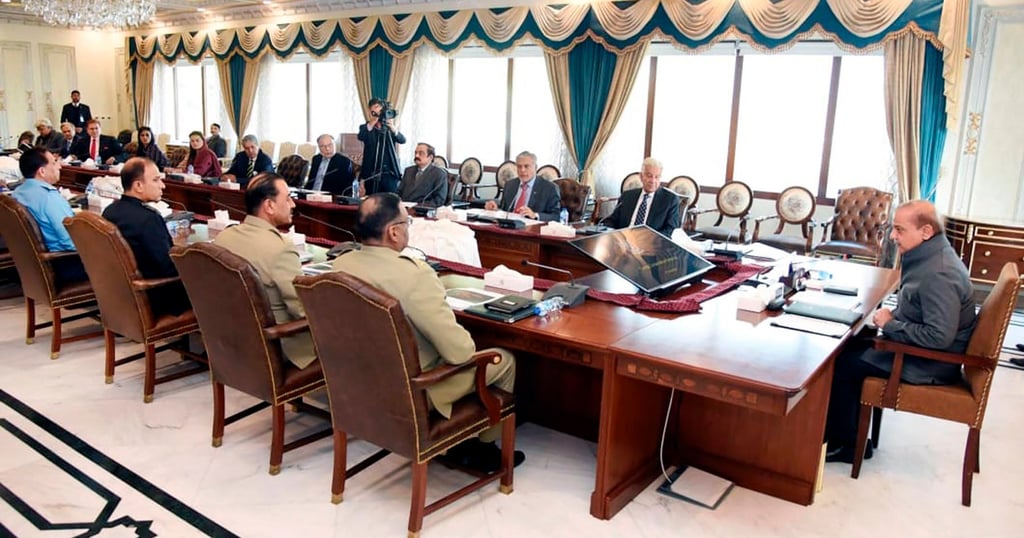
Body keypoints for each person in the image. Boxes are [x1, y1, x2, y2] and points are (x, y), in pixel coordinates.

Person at [332, 192, 523, 473]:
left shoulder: (341, 265)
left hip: (359, 383)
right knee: (503, 359)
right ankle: (480, 449)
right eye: (407, 222)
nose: (408, 228)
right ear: (393, 232)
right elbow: (460, 353)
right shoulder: (415, 275)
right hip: (414, 390)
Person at [824, 200, 978, 463]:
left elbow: (939, 336)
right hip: (917, 353)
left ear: (926, 232)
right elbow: (921, 307)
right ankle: (841, 432)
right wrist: (893, 317)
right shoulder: (930, 256)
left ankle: (846, 445)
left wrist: (890, 324)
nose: (893, 237)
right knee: (847, 345)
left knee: (842, 363)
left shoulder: (940, 273)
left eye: (899, 230)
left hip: (928, 364)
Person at [214, 173, 315, 370]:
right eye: (288, 198)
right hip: (277, 346)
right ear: (269, 206)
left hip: (233, 340)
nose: (293, 204)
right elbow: (301, 310)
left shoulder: (224, 237)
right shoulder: (281, 248)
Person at [102, 157, 190, 317]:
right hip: (156, 297)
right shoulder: (148, 219)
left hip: (122, 295)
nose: (163, 185)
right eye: (156, 180)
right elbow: (167, 268)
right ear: (138, 186)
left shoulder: (110, 211)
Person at [11, 148, 87, 285]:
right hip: (64, 264)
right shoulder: (48, 197)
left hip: (34, 264)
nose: (59, 166)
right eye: (54, 162)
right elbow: (69, 240)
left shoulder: (18, 193)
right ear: (42, 171)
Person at [600, 157, 680, 237]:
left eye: (657, 177)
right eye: (649, 176)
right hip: (623, 239)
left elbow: (670, 229)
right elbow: (612, 221)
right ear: (641, 177)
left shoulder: (670, 200)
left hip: (651, 242)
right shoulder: (627, 196)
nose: (653, 181)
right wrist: (606, 230)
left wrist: (651, 239)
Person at [484, 151, 560, 221]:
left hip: (531, 228)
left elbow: (556, 216)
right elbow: (505, 210)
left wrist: (535, 215)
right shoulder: (510, 185)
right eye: (519, 166)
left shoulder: (549, 188)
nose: (522, 170)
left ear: (535, 167)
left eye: (526, 166)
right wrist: (495, 210)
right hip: (509, 226)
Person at [357, 97, 406, 195]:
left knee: (390, 200)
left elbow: (402, 140)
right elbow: (361, 136)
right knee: (372, 200)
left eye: (380, 108)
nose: (379, 112)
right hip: (371, 173)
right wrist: (373, 121)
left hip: (389, 173)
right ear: (370, 112)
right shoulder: (366, 127)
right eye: (375, 109)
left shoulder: (389, 129)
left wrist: (392, 128)